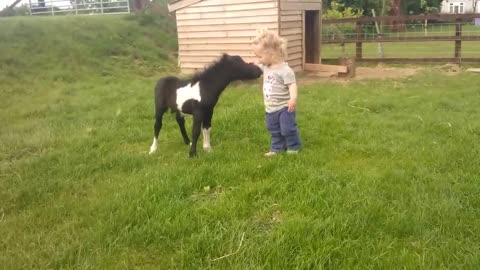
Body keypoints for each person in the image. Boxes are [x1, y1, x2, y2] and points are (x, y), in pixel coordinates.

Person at [252, 29, 301, 157]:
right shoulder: (266, 67)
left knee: (287, 128)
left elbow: (292, 85)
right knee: (274, 130)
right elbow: (256, 68)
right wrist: (252, 64)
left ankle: (293, 146)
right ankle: (277, 148)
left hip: (285, 106)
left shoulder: (286, 71)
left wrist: (293, 99)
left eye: (260, 56)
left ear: (271, 53)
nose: (258, 60)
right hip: (270, 108)